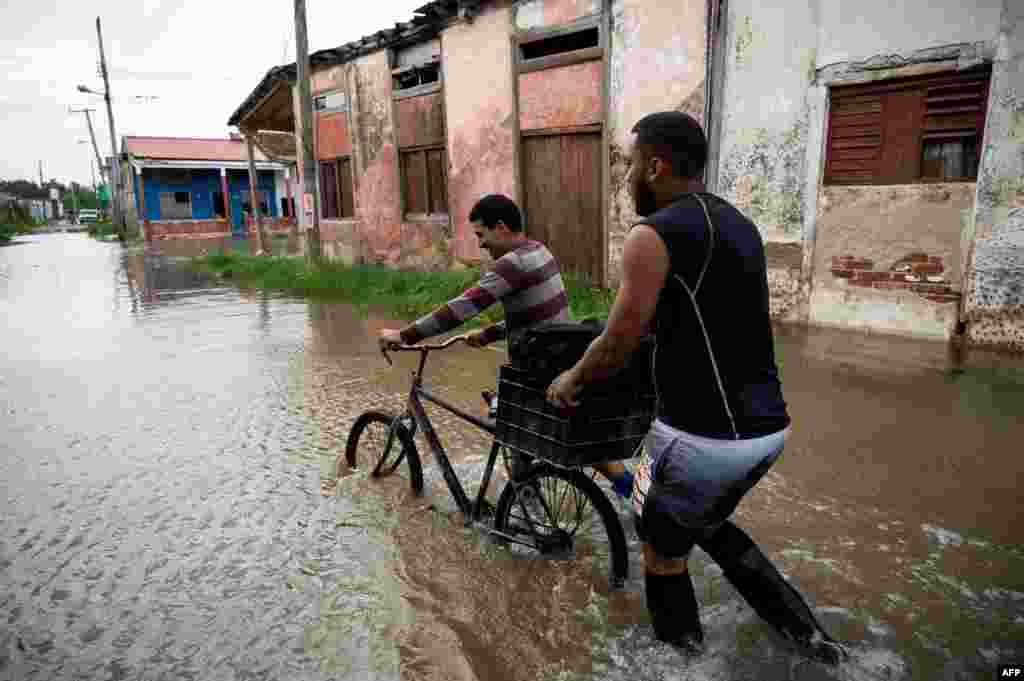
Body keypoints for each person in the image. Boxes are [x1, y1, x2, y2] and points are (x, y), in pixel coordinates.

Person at [546, 112, 848, 663]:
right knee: (699, 521)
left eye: (632, 165)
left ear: (656, 166)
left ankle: (681, 665)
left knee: (661, 551)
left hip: (703, 439)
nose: (629, 177)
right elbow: (696, 320)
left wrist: (570, 377)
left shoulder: (652, 233)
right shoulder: (739, 224)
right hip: (766, 431)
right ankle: (818, 648)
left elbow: (617, 342)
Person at [379, 193, 634, 497]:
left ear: (500, 227)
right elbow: (538, 316)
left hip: (535, 370)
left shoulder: (510, 266)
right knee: (571, 434)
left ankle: (520, 505)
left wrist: (404, 336)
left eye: (481, 235)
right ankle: (630, 492)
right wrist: (489, 335)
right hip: (560, 357)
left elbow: (459, 310)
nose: (481, 244)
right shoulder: (539, 252)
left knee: (510, 421)